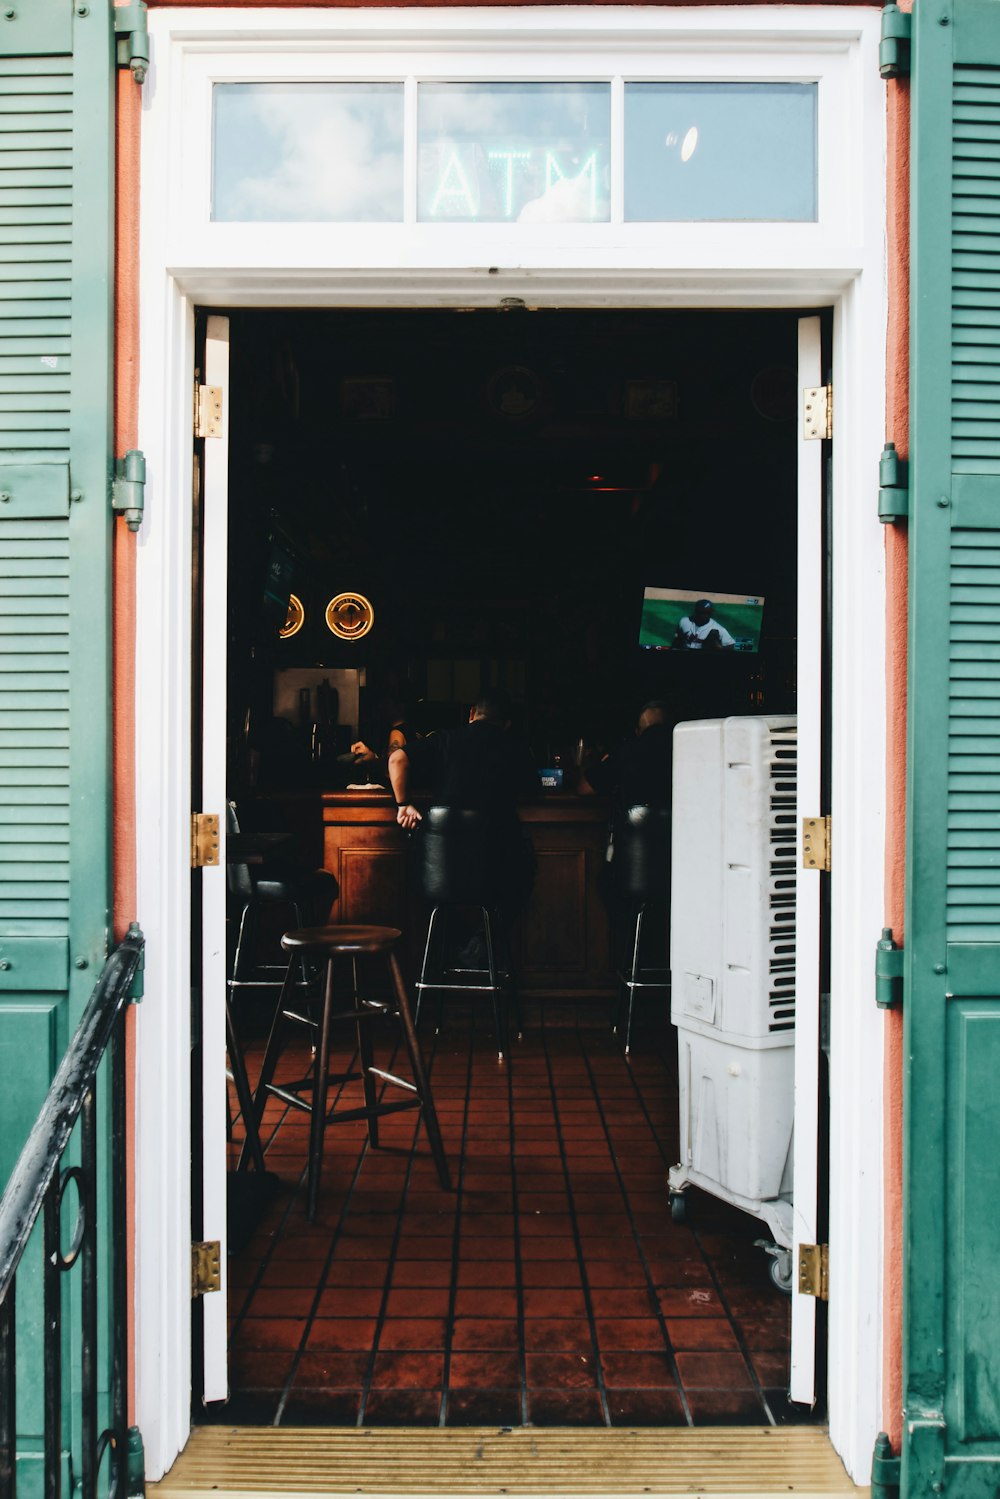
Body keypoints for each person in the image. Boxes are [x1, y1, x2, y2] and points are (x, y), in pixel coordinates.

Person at [585, 700, 673, 810]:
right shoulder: (686, 752)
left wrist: (587, 761)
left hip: (637, 825)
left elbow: (586, 788)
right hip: (681, 823)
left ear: (638, 731)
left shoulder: (626, 751)